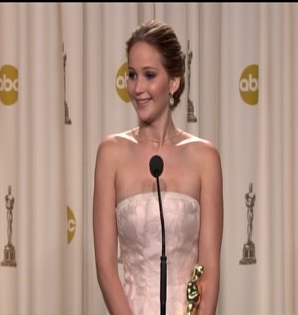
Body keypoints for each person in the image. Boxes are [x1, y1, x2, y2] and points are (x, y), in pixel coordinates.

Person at [93, 19, 223, 315]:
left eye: (149, 75)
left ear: (173, 82)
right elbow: (105, 267)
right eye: (132, 75)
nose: (138, 88)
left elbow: (209, 270)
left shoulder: (205, 158)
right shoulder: (110, 154)